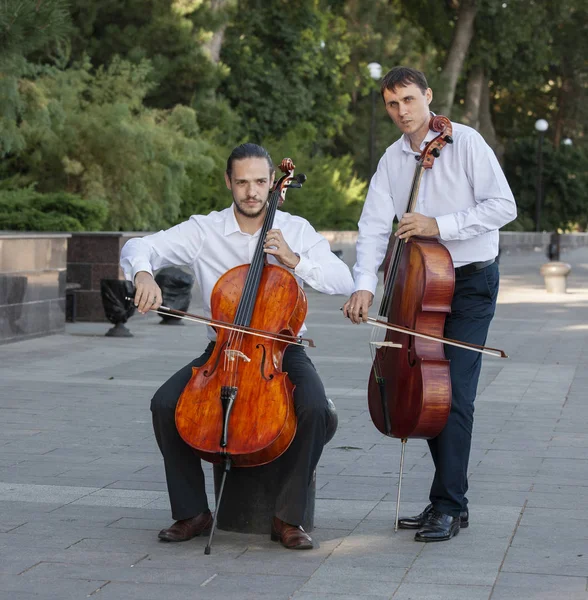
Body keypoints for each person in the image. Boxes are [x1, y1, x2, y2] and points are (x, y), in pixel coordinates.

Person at [120, 143, 354, 550]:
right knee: (164, 404)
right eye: (242, 182)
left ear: (272, 185)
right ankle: (193, 512)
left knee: (314, 407)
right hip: (222, 349)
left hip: (279, 350)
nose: (251, 191)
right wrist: (143, 275)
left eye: (260, 182)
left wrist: (295, 260)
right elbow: (140, 245)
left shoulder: (296, 229)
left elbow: (344, 281)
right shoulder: (204, 229)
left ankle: (288, 517)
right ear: (229, 182)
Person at [343, 66, 517, 542]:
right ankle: (448, 501)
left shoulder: (465, 142)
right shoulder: (392, 160)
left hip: (471, 285)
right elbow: (374, 225)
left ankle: (448, 504)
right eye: (392, 104)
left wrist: (439, 225)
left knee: (454, 394)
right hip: (419, 286)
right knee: (427, 392)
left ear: (428, 97)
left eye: (409, 100)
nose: (402, 111)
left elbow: (504, 206)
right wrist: (363, 284)